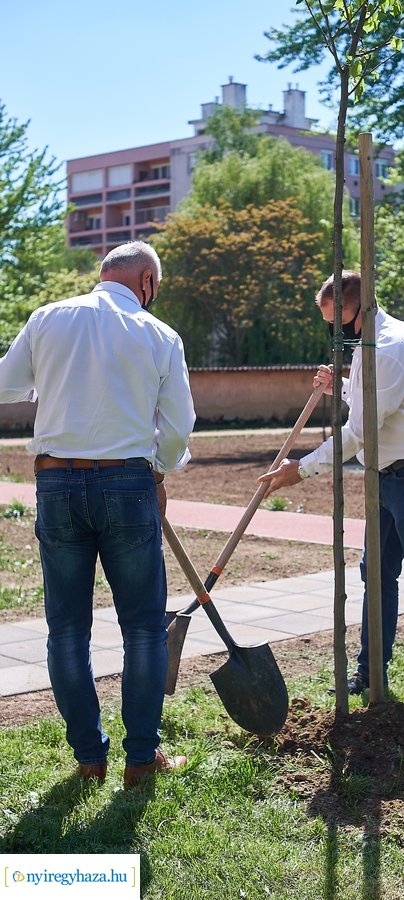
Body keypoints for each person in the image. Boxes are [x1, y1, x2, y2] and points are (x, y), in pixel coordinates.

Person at [0, 241, 196, 786]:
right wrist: (161, 468)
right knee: (142, 629)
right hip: (127, 482)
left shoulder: (47, 318)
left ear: (102, 274)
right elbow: (179, 423)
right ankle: (140, 760)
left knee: (66, 629)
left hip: (56, 481)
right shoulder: (159, 335)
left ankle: (89, 757)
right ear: (147, 282)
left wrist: (54, 376)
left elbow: (5, 384)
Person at [259, 270, 404, 712]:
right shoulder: (368, 341)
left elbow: (361, 430)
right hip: (387, 475)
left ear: (357, 309)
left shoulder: (389, 347)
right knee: (376, 575)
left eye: (336, 321)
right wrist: (340, 387)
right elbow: (372, 399)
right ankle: (370, 673)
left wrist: (301, 470)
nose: (334, 332)